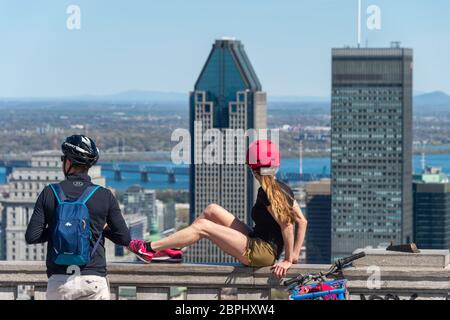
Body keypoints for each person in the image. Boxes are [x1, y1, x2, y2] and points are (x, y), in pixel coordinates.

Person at [128, 139, 307, 278]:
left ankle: (150, 248)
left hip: (263, 252)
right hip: (257, 240)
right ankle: (175, 251)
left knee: (203, 227)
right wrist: (295, 255)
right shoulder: (283, 188)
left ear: (252, 168)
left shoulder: (269, 193)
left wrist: (288, 260)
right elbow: (302, 221)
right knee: (212, 210)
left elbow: (288, 226)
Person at [25, 135, 131, 300]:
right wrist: (99, 229)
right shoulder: (104, 195)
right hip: (93, 279)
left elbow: (32, 236)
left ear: (68, 162)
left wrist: (58, 228)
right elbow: (124, 238)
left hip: (60, 282)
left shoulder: (49, 193)